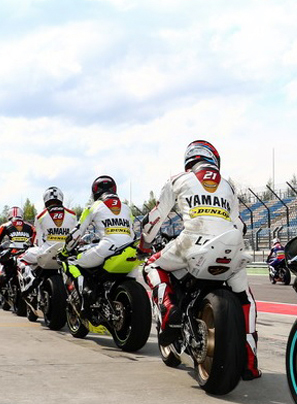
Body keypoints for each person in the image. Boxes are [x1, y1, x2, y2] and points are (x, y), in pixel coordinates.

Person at [140, 140, 262, 380]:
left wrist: (144, 242)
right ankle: (250, 363)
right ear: (214, 159)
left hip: (191, 243)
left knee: (151, 264)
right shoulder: (228, 185)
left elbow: (155, 218)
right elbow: (240, 225)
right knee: (246, 299)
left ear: (189, 160)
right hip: (230, 245)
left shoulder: (178, 179)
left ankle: (168, 309)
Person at [65, 175, 134, 269]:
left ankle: (81, 284)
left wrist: (65, 250)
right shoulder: (127, 208)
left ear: (95, 192)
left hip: (106, 249)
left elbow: (78, 231)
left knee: (71, 262)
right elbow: (132, 234)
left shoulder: (92, 207)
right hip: (129, 250)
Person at [20, 186, 78, 291]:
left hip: (46, 253)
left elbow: (38, 241)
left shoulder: (40, 216)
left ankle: (30, 280)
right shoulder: (72, 215)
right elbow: (76, 235)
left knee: (21, 258)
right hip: (67, 253)